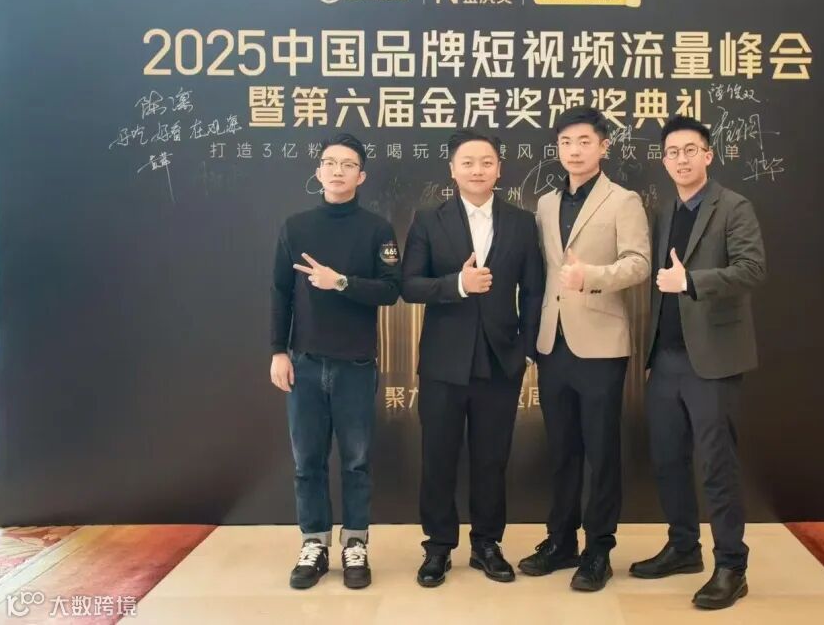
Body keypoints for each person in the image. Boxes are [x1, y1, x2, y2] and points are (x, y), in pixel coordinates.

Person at [628, 114, 766, 611]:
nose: (681, 159)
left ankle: (731, 566)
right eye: (672, 152)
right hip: (665, 358)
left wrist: (691, 282)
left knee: (716, 464)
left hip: (712, 360)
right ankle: (683, 547)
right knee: (668, 458)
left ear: (708, 155)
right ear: (664, 161)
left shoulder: (733, 206)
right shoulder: (666, 210)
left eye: (690, 150)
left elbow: (752, 269)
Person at [401, 129, 544, 587]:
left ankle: (487, 543)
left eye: (486, 162)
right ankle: (438, 547)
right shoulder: (429, 220)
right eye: (467, 162)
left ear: (499, 168)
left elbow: (536, 290)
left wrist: (526, 348)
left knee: (491, 459)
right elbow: (409, 285)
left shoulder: (522, 222)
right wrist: (457, 285)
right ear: (452, 170)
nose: (477, 170)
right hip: (444, 361)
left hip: (500, 361)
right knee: (438, 457)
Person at [518, 106, 650, 592]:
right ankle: (561, 541)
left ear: (603, 146)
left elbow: (639, 263)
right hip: (553, 342)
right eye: (566, 142)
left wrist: (590, 276)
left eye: (584, 141)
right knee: (562, 449)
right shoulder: (546, 203)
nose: (574, 151)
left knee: (601, 450)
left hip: (600, 343)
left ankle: (599, 549)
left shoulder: (623, 201)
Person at [269, 133, 401, 590]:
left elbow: (391, 290)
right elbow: (280, 293)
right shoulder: (295, 226)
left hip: (356, 364)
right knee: (307, 460)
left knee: (356, 462)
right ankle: (314, 543)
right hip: (304, 363)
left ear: (361, 176)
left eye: (348, 164)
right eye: (330, 162)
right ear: (318, 171)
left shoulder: (377, 229)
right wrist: (278, 351)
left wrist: (340, 281)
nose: (338, 170)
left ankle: (356, 543)